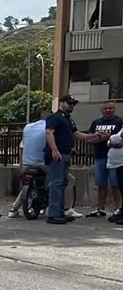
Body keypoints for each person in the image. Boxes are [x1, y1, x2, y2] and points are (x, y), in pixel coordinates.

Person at [46, 94, 100, 225]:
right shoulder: (55, 117)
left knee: (63, 183)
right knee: (57, 184)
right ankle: (53, 214)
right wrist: (54, 149)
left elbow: (77, 134)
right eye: (69, 103)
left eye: (73, 104)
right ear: (61, 103)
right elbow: (49, 132)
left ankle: (60, 212)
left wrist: (95, 135)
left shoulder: (69, 120)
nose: (71, 106)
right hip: (58, 155)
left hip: (66, 154)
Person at [9, 110, 52, 218]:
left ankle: (13, 209)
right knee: (61, 180)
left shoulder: (28, 128)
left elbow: (21, 147)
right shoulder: (49, 129)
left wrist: (21, 165)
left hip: (27, 163)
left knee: (27, 185)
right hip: (43, 163)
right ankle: (65, 208)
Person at [87, 101, 123, 217]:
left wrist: (109, 139)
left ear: (114, 109)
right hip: (100, 157)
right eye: (105, 108)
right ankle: (100, 208)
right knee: (101, 184)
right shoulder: (96, 123)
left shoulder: (119, 122)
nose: (108, 110)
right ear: (101, 110)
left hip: (116, 159)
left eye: (110, 108)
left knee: (116, 184)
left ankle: (118, 208)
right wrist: (101, 138)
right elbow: (89, 140)